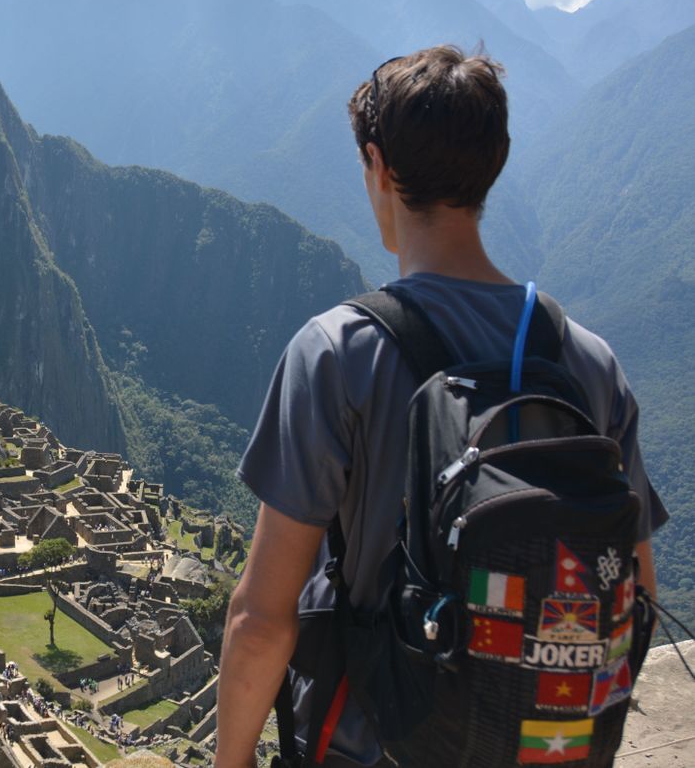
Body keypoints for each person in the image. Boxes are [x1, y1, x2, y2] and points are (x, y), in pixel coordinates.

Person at [212, 46, 666, 767]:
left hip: (376, 745)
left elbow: (262, 620)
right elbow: (634, 593)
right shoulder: (589, 362)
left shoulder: (337, 354)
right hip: (544, 747)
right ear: (495, 162)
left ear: (377, 165)